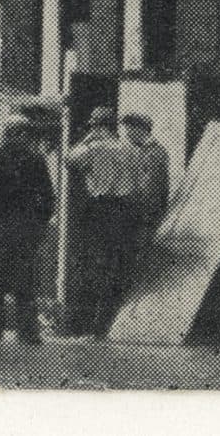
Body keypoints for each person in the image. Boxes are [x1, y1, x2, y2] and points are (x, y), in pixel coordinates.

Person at [0, 122, 55, 344]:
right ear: (23, 135)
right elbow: (48, 198)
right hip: (25, 230)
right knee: (25, 282)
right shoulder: (36, 161)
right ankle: (28, 333)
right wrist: (39, 224)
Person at [65, 106, 137, 335]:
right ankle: (104, 324)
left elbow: (69, 159)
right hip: (124, 211)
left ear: (96, 126)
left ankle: (82, 323)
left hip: (99, 209)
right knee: (115, 267)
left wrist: (86, 140)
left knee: (91, 265)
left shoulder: (93, 147)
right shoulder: (129, 148)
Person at [119, 112, 172, 280]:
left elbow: (153, 189)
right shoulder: (137, 150)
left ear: (140, 130)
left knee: (142, 263)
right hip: (136, 213)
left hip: (145, 215)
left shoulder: (155, 153)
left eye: (129, 131)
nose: (126, 135)